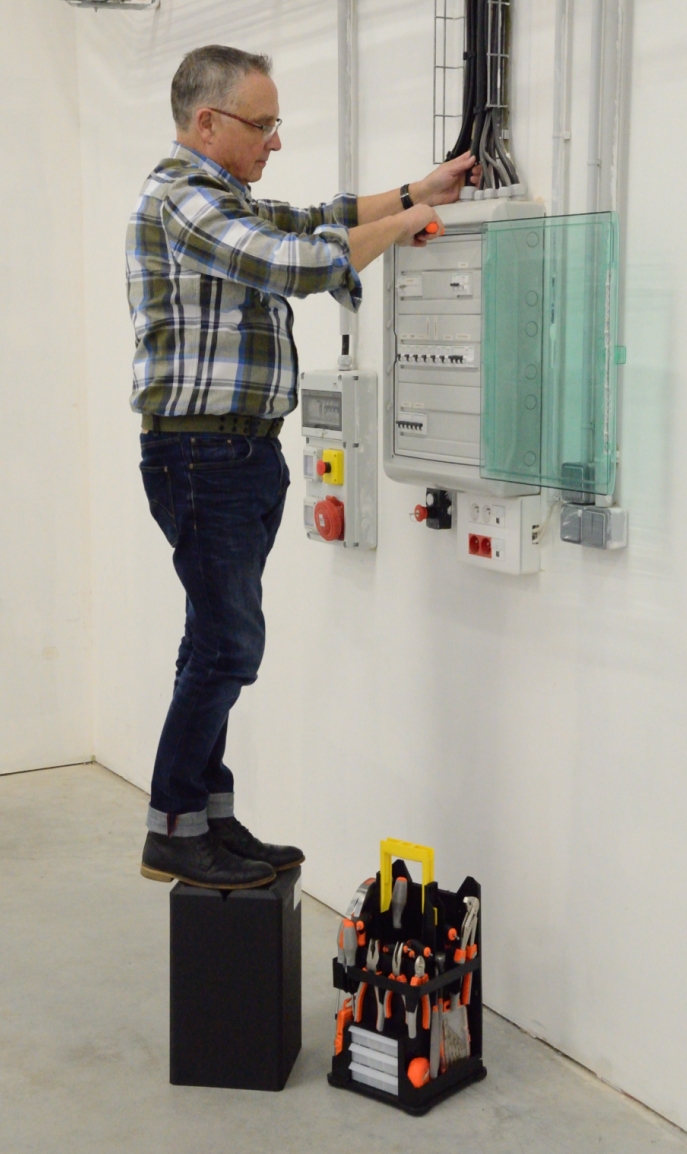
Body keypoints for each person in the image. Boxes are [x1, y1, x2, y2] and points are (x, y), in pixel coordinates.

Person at [127, 44, 479, 890]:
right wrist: (402, 228)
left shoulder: (227, 198)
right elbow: (293, 262)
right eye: (262, 124)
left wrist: (416, 191)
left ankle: (207, 815)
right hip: (202, 452)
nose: (275, 139)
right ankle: (171, 826)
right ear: (206, 122)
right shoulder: (181, 199)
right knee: (228, 646)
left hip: (238, 450)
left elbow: (311, 218)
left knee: (211, 641)